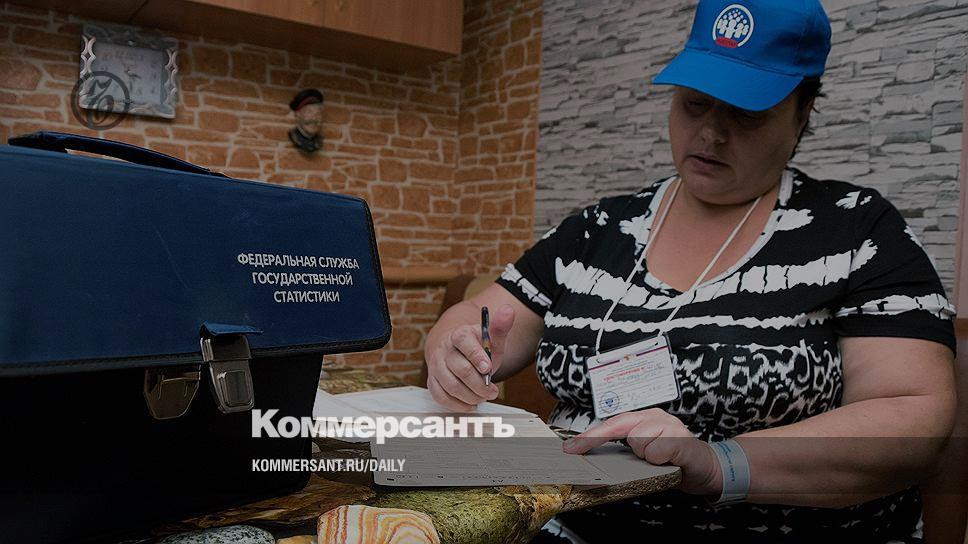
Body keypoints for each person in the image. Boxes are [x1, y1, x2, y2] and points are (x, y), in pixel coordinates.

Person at [423, 0, 958, 541]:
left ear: (803, 112)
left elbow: (914, 417)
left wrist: (718, 463)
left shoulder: (857, 230)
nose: (711, 133)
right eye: (695, 103)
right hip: (565, 524)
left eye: (746, 113)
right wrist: (456, 349)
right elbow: (479, 317)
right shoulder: (600, 227)